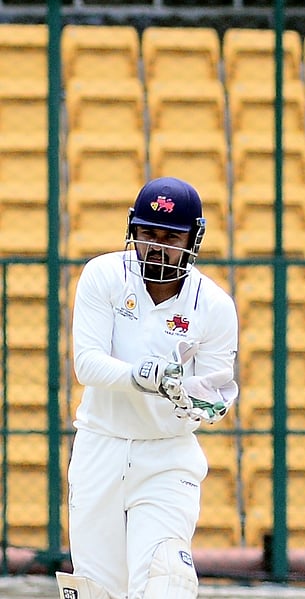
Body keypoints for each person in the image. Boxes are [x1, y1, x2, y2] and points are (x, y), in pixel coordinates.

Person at [59, 177, 239, 599]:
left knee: (166, 580)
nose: (157, 248)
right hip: (100, 446)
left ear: (193, 240)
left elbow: (215, 391)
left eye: (171, 238)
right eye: (148, 234)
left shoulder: (213, 306)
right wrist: (147, 376)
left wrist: (197, 401)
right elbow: (87, 364)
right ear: (132, 230)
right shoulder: (104, 275)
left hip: (167, 455)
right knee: (97, 589)